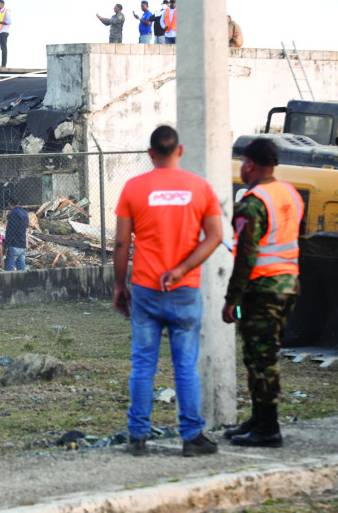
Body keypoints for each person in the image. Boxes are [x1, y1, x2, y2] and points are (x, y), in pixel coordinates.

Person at [114, 125, 222, 457]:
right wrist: (181, 269)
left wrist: (120, 285)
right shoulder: (200, 188)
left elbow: (120, 243)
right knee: (186, 366)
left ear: (150, 154)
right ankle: (191, 438)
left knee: (143, 364)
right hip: (184, 290)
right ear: (180, 150)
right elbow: (215, 236)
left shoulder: (133, 188)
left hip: (145, 289)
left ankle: (138, 437)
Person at [222, 138, 303, 448]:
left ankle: (268, 428)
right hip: (288, 285)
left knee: (261, 357)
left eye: (242, 162)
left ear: (250, 165)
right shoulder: (290, 194)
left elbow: (246, 256)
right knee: (259, 353)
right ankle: (258, 419)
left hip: (262, 290)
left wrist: (232, 299)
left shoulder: (253, 202)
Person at [4, 196, 28, 271]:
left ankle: (10, 283)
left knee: (9, 270)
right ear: (19, 203)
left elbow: (11, 231)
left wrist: (6, 246)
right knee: (21, 269)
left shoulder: (13, 214)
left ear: (9, 204)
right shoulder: (25, 213)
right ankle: (23, 282)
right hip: (22, 244)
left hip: (14, 245)